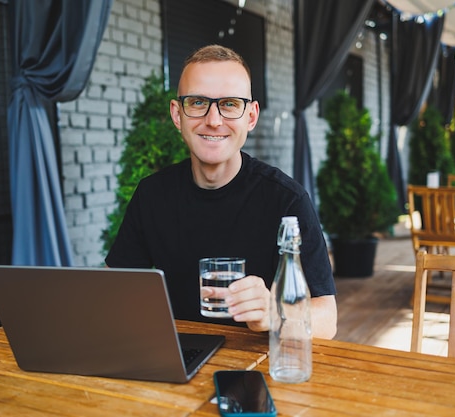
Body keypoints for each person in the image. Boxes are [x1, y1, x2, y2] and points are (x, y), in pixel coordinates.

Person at [105, 44, 337, 339]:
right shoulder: (152, 194)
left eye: (229, 104)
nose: (213, 120)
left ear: (251, 117)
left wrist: (274, 312)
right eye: (198, 102)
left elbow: (328, 319)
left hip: (258, 367)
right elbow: (115, 293)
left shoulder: (287, 200)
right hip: (176, 360)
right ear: (178, 115)